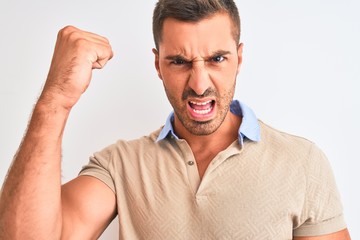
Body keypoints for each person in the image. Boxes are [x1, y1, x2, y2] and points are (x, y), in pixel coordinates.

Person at [0, 0, 351, 239]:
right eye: (179, 62)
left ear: (239, 57)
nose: (199, 85)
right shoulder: (120, 165)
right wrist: (55, 101)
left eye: (216, 58)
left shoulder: (302, 163)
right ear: (157, 64)